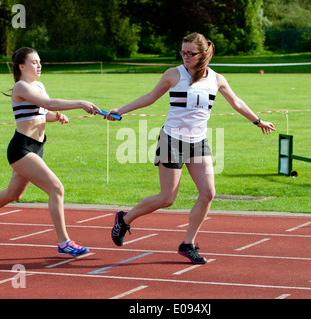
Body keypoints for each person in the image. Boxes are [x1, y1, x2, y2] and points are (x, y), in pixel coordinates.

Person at [106, 33, 275, 264]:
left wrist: (258, 121)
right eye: (183, 52)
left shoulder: (216, 79)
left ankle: (188, 244)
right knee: (167, 198)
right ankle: (125, 219)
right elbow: (150, 97)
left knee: (208, 193)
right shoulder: (174, 74)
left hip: (198, 141)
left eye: (191, 53)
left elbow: (236, 102)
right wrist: (121, 110)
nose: (185, 57)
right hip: (172, 140)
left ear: (203, 54)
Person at [0, 47, 100, 256]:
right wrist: (80, 103)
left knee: (14, 194)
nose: (39, 65)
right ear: (21, 66)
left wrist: (55, 116)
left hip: (37, 146)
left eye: (40, 62)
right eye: (34, 62)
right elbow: (47, 103)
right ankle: (64, 242)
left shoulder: (39, 85)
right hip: (21, 148)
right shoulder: (20, 87)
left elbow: (43, 112)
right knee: (56, 188)